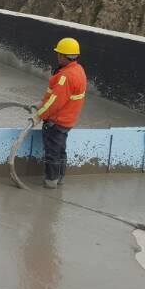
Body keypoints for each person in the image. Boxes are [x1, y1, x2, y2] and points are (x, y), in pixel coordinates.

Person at [34, 37, 87, 189]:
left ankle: (51, 182)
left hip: (56, 122)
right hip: (67, 121)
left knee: (52, 153)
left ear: (65, 56)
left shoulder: (66, 76)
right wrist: (40, 104)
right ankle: (60, 178)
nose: (57, 56)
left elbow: (55, 102)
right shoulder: (78, 70)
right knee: (61, 151)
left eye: (59, 54)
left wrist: (39, 115)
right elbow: (54, 96)